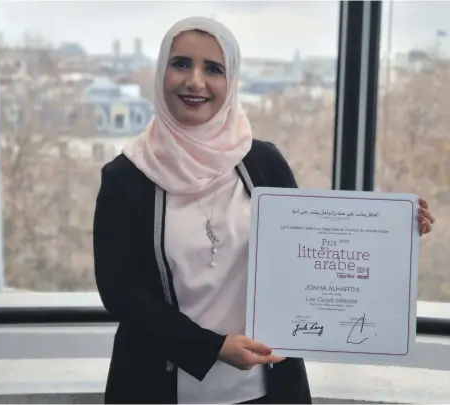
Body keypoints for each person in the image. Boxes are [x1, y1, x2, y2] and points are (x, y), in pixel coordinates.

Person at [93, 16, 436, 405]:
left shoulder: (262, 161)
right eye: (182, 63)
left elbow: (310, 251)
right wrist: (213, 347)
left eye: (214, 69)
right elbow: (120, 292)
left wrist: (393, 233)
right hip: (156, 386)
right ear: (161, 71)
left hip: (267, 387)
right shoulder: (126, 176)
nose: (195, 81)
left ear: (232, 80)